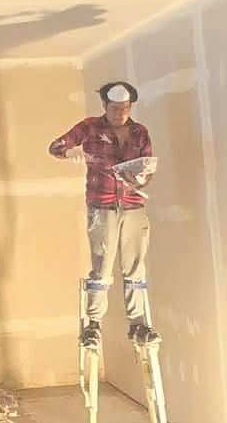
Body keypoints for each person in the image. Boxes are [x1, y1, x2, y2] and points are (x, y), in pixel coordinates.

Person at [49, 81, 157, 349]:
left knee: (135, 267)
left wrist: (139, 178)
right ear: (105, 106)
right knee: (102, 267)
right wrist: (70, 152)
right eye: (114, 108)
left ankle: (138, 324)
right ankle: (94, 325)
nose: (120, 113)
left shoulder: (139, 132)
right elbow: (55, 147)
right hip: (103, 205)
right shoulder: (90, 127)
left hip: (132, 205)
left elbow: (147, 169)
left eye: (125, 108)